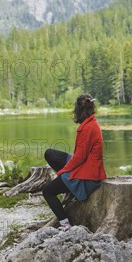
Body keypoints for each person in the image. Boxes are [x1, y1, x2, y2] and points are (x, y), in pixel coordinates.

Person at [42, 93, 107, 230]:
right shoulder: (90, 123)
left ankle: (65, 224)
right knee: (50, 154)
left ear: (78, 109)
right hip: (85, 164)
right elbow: (80, 156)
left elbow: (80, 157)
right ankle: (70, 190)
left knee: (48, 191)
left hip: (87, 175)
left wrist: (63, 171)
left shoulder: (88, 128)